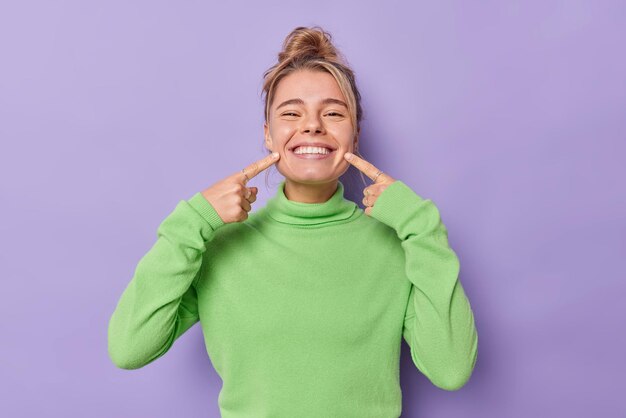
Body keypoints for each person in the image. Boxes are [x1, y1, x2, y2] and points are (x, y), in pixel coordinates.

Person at [108, 25, 478, 417]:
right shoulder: (217, 246)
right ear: (269, 135)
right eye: (291, 113)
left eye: (334, 113)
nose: (312, 125)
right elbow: (130, 348)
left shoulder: (399, 245)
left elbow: (451, 370)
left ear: (354, 137)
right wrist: (192, 220)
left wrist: (422, 227)